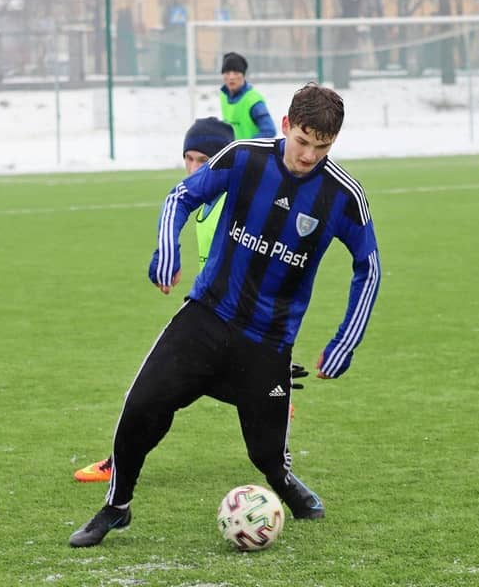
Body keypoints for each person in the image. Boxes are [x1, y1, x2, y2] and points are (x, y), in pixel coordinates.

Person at [69, 83, 381, 548]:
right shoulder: (245, 158)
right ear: (285, 125)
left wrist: (345, 341)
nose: (308, 156)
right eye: (301, 141)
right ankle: (117, 506)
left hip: (268, 341)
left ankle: (283, 479)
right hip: (207, 316)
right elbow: (180, 197)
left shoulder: (343, 195)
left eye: (322, 147)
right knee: (143, 406)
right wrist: (167, 248)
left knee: (266, 454)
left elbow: (369, 267)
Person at [73, 117, 309, 484]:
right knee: (176, 388)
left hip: (236, 325)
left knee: (149, 392)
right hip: (212, 318)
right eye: (190, 158)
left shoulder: (239, 206)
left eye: (204, 160)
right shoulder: (205, 204)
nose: (195, 168)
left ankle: (118, 464)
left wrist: (269, 347)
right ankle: (269, 396)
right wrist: (166, 258)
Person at [219, 52, 276, 139]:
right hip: (232, 147)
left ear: (243, 75)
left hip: (250, 148)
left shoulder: (253, 101)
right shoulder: (224, 96)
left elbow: (269, 131)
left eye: (236, 73)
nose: (231, 77)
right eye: (227, 73)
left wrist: (248, 145)